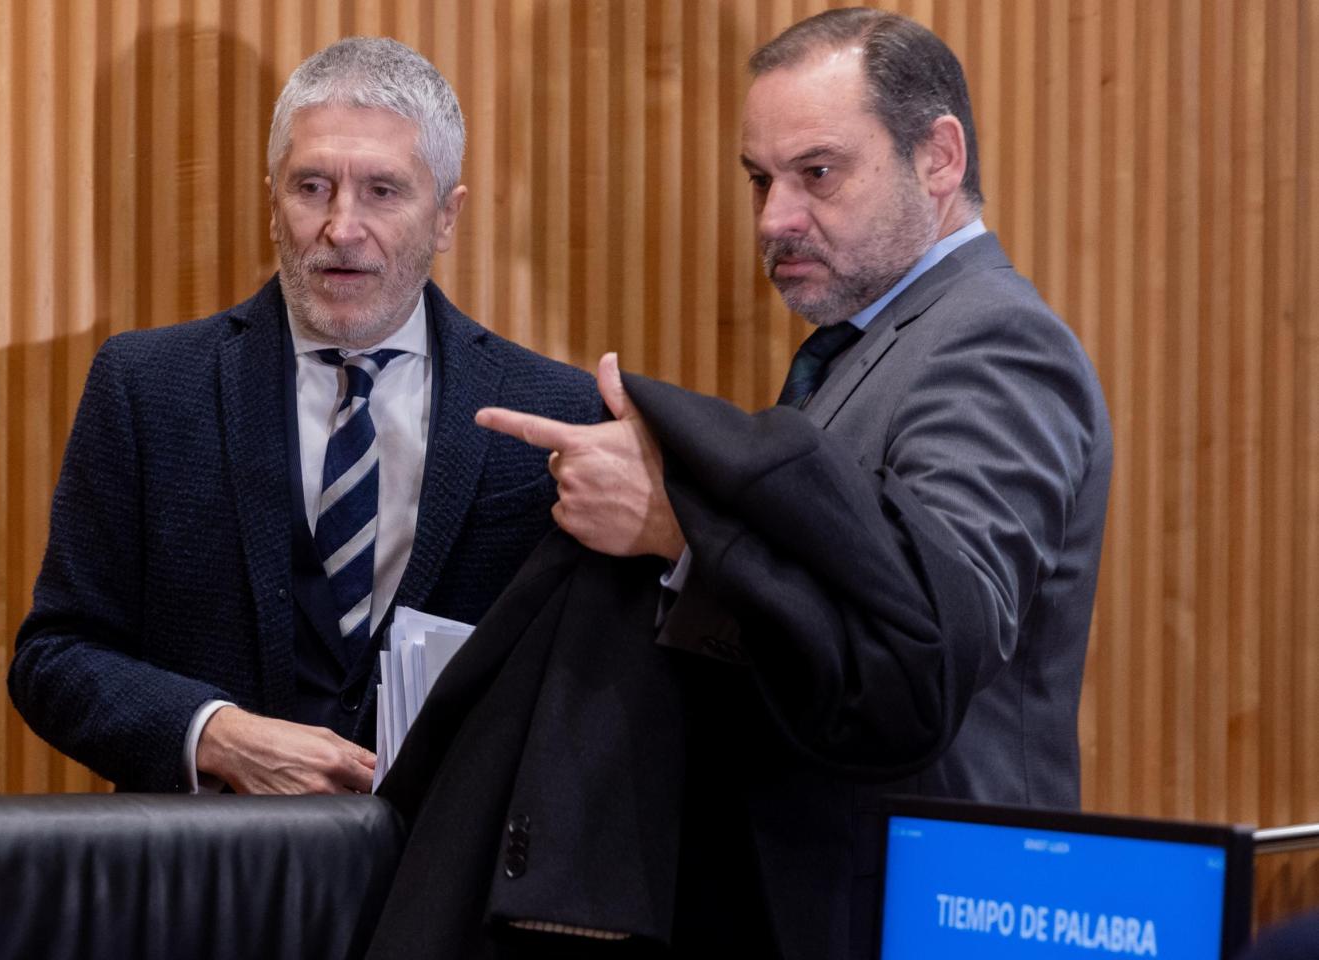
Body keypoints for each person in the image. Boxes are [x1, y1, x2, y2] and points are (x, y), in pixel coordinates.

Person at [468, 8, 1113, 955]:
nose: (774, 219)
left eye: (817, 173)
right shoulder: (855, 350)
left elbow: (929, 637)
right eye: (761, 181)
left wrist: (679, 527)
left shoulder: (993, 342)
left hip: (938, 909)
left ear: (937, 158)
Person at [9, 36, 599, 796]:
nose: (341, 228)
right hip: (212, 888)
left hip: (449, 893)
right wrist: (213, 733)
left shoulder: (554, 412)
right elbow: (53, 656)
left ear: (447, 217)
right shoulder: (145, 388)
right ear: (272, 201)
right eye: (312, 186)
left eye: (383, 192)